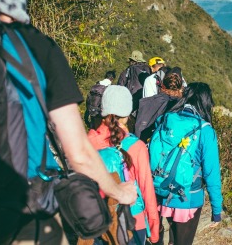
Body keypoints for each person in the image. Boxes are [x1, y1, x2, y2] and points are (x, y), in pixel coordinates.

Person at [0, 0, 136, 243]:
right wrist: (119, 192)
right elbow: (78, 153)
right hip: (24, 206)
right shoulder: (36, 46)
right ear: (20, 10)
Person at [87, 85, 160, 244]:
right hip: (131, 221)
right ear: (127, 114)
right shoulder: (136, 146)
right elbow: (147, 190)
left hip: (98, 221)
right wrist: (154, 230)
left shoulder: (89, 141)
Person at [154, 82, 223, 245]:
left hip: (161, 190)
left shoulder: (166, 119)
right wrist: (217, 209)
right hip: (188, 197)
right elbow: (211, 174)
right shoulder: (205, 130)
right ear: (206, 102)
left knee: (166, 232)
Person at [135, 67, 184, 143]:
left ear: (162, 85)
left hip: (144, 142)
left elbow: (140, 125)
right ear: (181, 88)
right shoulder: (182, 106)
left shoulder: (149, 101)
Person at [117, 50, 151, 115]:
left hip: (131, 97)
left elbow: (120, 84)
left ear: (132, 60)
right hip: (145, 98)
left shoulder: (129, 69)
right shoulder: (148, 69)